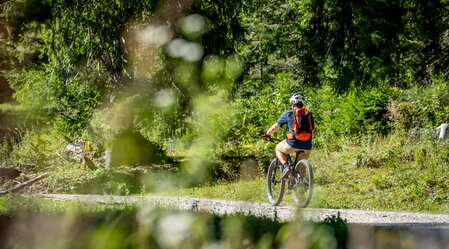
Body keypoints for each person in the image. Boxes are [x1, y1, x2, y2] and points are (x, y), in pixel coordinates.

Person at [261, 93, 314, 178]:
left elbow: (275, 127)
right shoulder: (309, 115)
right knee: (301, 167)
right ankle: (302, 184)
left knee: (278, 148)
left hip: (292, 144)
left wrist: (267, 134)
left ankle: (286, 166)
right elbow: (312, 132)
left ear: (292, 103)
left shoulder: (288, 114)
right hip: (307, 146)